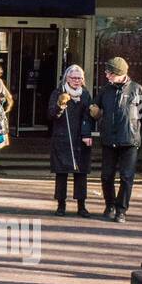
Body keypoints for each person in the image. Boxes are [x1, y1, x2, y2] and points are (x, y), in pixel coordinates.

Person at [81, 56, 142, 223]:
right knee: (106, 176)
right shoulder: (105, 90)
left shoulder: (137, 90)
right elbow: (92, 111)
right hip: (109, 139)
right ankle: (110, 205)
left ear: (119, 73)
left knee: (127, 177)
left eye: (109, 73)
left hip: (130, 140)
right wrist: (87, 133)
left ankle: (121, 209)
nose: (107, 76)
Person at [48, 64, 92, 216]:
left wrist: (87, 134)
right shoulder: (58, 92)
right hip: (62, 138)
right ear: (67, 78)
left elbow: (88, 117)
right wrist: (60, 106)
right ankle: (61, 205)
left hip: (80, 139)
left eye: (79, 78)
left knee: (81, 173)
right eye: (73, 78)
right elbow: (51, 115)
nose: (76, 81)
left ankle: (81, 206)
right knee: (62, 173)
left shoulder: (85, 94)